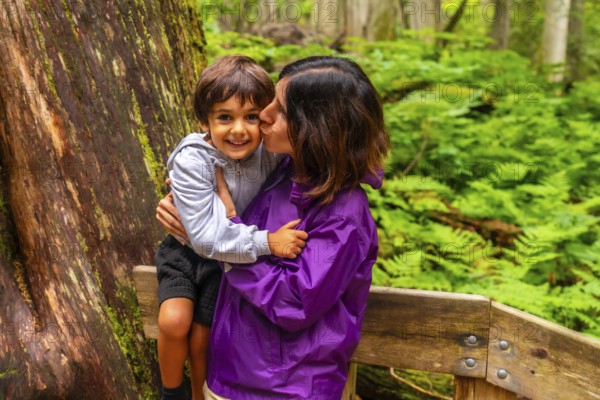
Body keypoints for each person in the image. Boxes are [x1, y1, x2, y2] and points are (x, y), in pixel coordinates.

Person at [156, 56, 390, 399]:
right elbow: (218, 191)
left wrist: (220, 235)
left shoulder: (342, 216)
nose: (263, 115)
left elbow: (294, 300)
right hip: (231, 376)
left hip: (284, 389)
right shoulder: (284, 169)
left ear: (312, 127)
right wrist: (193, 208)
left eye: (278, 110)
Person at [155, 55, 308, 400]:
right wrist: (269, 241)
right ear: (204, 121)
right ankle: (170, 392)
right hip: (185, 251)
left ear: (266, 118)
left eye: (251, 117)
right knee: (174, 321)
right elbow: (206, 237)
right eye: (225, 117)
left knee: (202, 336)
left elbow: (312, 148)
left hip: (230, 262)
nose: (239, 129)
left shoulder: (269, 152)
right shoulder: (193, 159)